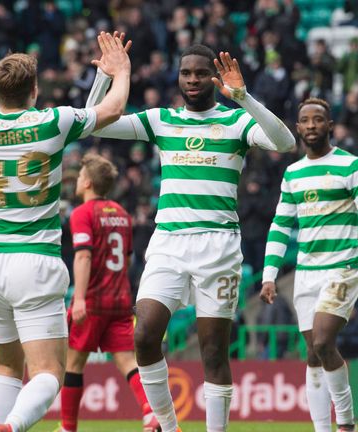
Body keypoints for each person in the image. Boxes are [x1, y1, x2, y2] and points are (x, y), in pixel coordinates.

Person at [86, 46, 295, 432]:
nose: (193, 80)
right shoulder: (161, 120)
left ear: (213, 79)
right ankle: (168, 426)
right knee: (145, 334)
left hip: (218, 246)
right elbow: (92, 123)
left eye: (201, 73)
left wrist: (245, 99)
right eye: (186, 73)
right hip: (168, 243)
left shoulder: (236, 124)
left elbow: (285, 143)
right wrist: (107, 77)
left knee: (214, 351)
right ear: (178, 78)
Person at [0, 22, 131, 432]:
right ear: (35, 90)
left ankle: (3, 425)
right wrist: (122, 68)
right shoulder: (52, 123)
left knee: (6, 367)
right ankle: (11, 427)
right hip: (35, 262)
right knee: (48, 373)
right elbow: (111, 109)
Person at [259, 97, 358, 432]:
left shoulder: (352, 166)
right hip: (306, 273)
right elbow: (280, 225)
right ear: (298, 127)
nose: (312, 125)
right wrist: (269, 276)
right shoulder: (293, 173)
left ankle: (346, 422)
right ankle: (322, 428)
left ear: (330, 126)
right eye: (306, 120)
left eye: (319, 119)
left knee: (321, 341)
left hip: (343, 267)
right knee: (314, 354)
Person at [58, 154, 158, 432]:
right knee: (127, 360)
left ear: (87, 182)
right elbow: (126, 260)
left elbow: (83, 257)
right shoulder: (123, 215)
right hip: (120, 297)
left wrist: (79, 299)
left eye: (79, 177)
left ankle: (68, 427)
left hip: (92, 300)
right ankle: (150, 413)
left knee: (74, 362)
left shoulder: (82, 213)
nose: (77, 182)